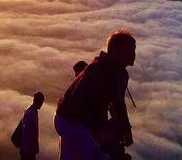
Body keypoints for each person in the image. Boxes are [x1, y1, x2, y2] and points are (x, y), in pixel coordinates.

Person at [55, 30, 136, 160]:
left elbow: (118, 104)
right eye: (130, 50)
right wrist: (98, 130)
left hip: (79, 121)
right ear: (116, 50)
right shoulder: (98, 70)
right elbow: (78, 102)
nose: (133, 54)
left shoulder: (119, 74)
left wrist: (126, 129)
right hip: (71, 120)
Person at [20, 92, 45, 160]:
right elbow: (28, 133)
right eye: (41, 102)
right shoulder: (31, 114)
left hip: (28, 148)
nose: (41, 104)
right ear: (37, 101)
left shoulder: (32, 111)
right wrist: (30, 149)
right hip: (28, 149)